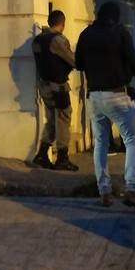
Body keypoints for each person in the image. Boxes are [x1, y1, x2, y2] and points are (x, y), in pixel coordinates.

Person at [75, 1, 135, 211]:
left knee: (101, 143)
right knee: (131, 140)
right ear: (115, 16)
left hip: (94, 96)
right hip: (118, 94)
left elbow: (79, 64)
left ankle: (104, 191)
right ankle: (132, 189)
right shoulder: (120, 33)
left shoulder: (85, 34)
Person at [31, 10, 79, 171]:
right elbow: (73, 61)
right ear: (62, 23)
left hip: (43, 85)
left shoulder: (38, 40)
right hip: (57, 86)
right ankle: (62, 158)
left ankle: (42, 155)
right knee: (63, 119)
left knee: (51, 119)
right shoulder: (57, 40)